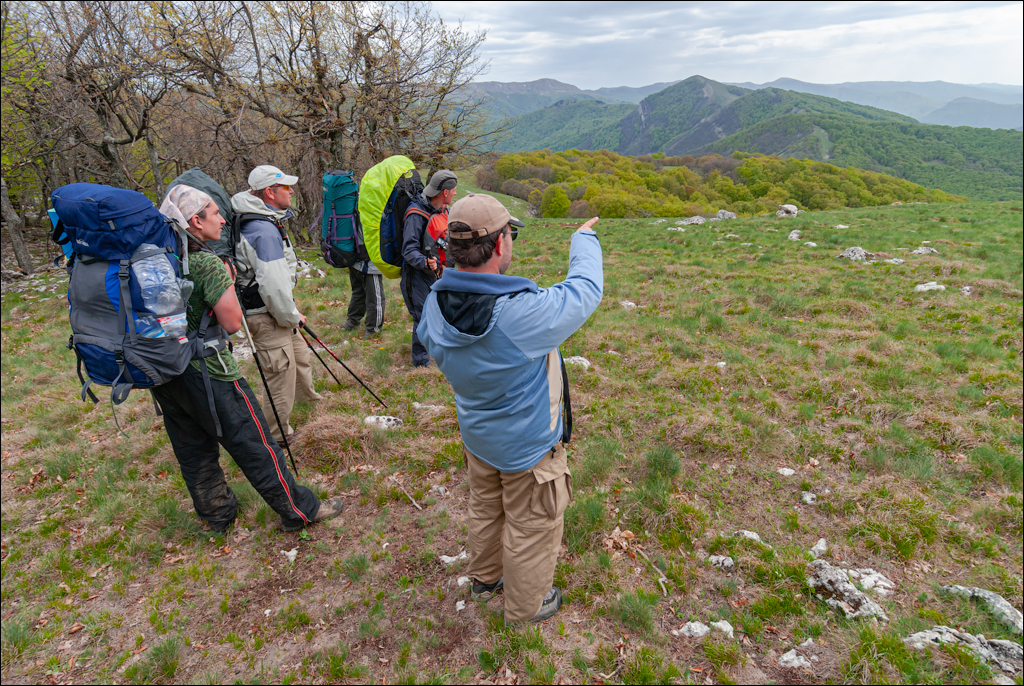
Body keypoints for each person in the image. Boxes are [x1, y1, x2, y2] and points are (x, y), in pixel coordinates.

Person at [417, 193, 603, 624]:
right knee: (532, 524)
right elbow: (584, 291)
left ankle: (485, 580)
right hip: (527, 447)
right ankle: (526, 607)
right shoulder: (520, 315)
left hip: (477, 435)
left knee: (486, 507)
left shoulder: (433, 305)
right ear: (500, 244)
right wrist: (583, 240)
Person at [155, 185, 344, 533]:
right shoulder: (206, 263)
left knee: (192, 447)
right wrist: (227, 281)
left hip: (166, 369)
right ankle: (299, 510)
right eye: (215, 213)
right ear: (195, 221)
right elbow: (231, 322)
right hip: (211, 370)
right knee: (254, 442)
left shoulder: (160, 262)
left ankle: (217, 514)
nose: (222, 220)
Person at [231, 165, 321, 444]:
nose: (292, 191)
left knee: (300, 357)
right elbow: (272, 284)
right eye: (286, 187)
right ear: (270, 192)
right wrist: (291, 316)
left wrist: (290, 313)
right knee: (280, 375)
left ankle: (308, 404)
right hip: (266, 313)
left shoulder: (262, 219)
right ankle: (278, 434)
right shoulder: (262, 230)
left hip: (275, 309)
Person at [400, 169, 457, 367]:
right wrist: (425, 262)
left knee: (440, 313)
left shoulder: (444, 209)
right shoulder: (416, 214)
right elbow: (408, 250)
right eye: (453, 190)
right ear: (445, 192)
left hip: (440, 272)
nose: (455, 193)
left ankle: (438, 350)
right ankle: (421, 362)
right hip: (417, 275)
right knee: (422, 316)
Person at [342, 257, 385, 338]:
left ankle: (352, 321)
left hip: (353, 260)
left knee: (359, 292)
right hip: (369, 265)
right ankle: (373, 329)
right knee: (375, 298)